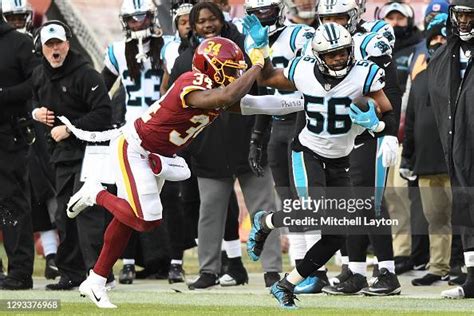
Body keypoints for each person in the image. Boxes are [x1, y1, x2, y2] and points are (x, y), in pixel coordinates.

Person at [65, 37, 266, 308]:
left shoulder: (214, 90)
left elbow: (254, 103)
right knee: (147, 219)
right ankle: (96, 192)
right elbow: (230, 95)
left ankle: (96, 281)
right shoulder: (192, 84)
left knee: (129, 220)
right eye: (229, 69)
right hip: (134, 147)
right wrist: (257, 65)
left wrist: (304, 98)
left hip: (158, 155)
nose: (234, 75)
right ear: (211, 66)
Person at [244, 16, 397, 308]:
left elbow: (387, 112)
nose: (339, 58)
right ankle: (265, 222)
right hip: (308, 152)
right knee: (315, 213)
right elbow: (266, 79)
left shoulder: (365, 73)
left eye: (343, 51)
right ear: (318, 55)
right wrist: (261, 50)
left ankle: (286, 284)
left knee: (336, 234)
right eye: (332, 54)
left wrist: (382, 131)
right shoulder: (302, 70)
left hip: (341, 158)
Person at [170, 2, 282, 289]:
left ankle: (272, 270)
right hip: (208, 146)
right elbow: (172, 102)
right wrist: (187, 144)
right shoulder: (184, 60)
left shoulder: (241, 49)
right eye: (201, 21)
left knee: (263, 210)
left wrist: (260, 138)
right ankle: (209, 270)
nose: (207, 26)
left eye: (212, 20)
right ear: (192, 26)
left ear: (222, 20)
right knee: (209, 213)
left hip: (247, 141)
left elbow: (264, 93)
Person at [31, 20, 113, 290]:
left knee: (87, 211)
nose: (55, 50)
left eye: (59, 44)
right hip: (62, 156)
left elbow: (104, 114)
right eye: (49, 45)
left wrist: (71, 129)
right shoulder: (39, 75)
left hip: (92, 151)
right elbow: (30, 100)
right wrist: (36, 113)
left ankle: (99, 275)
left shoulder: (86, 74)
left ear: (68, 44)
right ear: (42, 49)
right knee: (65, 214)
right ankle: (71, 274)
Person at [428, 0, 474, 299]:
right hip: (458, 144)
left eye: (470, 15)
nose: (465, 21)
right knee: (466, 208)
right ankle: (472, 277)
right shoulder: (445, 54)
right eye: (461, 15)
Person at [402, 13, 452, 287]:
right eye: (434, 38)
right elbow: (410, 120)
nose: (438, 42)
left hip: (456, 161)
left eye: (443, 37)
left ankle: (462, 265)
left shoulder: (463, 77)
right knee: (436, 219)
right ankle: (439, 266)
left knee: (464, 219)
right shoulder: (420, 78)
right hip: (426, 161)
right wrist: (407, 156)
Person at [0, 4, 38, 290]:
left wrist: (3, 95)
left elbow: (37, 81)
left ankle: (20, 271)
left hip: (9, 135)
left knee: (12, 203)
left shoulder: (19, 43)